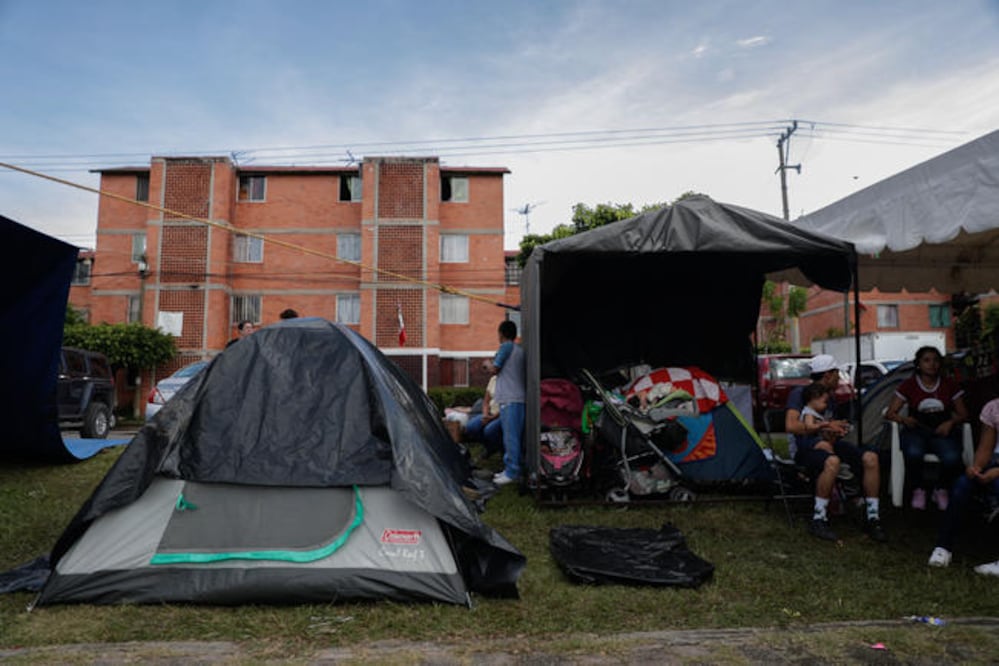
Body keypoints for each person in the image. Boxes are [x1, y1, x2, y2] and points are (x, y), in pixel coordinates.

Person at [785, 354, 886, 542]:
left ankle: (872, 517)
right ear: (828, 375)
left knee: (871, 457)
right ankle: (819, 518)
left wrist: (836, 428)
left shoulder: (829, 398)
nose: (839, 378)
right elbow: (791, 426)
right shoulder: (801, 394)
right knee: (832, 461)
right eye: (837, 373)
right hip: (805, 448)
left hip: (827, 443)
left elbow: (826, 428)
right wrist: (825, 427)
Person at [885, 346, 968, 511]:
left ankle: (940, 488)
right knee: (913, 452)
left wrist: (950, 423)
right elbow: (890, 413)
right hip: (917, 429)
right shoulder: (909, 385)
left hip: (942, 431)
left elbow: (964, 414)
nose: (932, 364)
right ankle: (919, 488)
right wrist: (904, 419)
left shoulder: (949, 385)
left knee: (952, 457)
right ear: (918, 364)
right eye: (927, 360)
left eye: (936, 360)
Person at [927, 397, 999, 572]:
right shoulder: (993, 408)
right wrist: (976, 467)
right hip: (994, 462)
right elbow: (985, 447)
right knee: (962, 485)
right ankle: (943, 547)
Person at [491, 320, 525, 487]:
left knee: (510, 438)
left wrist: (485, 365)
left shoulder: (506, 347)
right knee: (513, 437)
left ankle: (512, 472)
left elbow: (494, 369)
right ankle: (510, 468)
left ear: (502, 334)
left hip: (510, 399)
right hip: (516, 398)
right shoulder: (519, 349)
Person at [464, 359, 503, 457]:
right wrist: (485, 415)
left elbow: (506, 405)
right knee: (471, 427)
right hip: (490, 413)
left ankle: (498, 448)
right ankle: (489, 447)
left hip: (501, 415)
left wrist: (492, 418)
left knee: (489, 431)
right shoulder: (493, 380)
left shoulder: (507, 382)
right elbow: (486, 401)